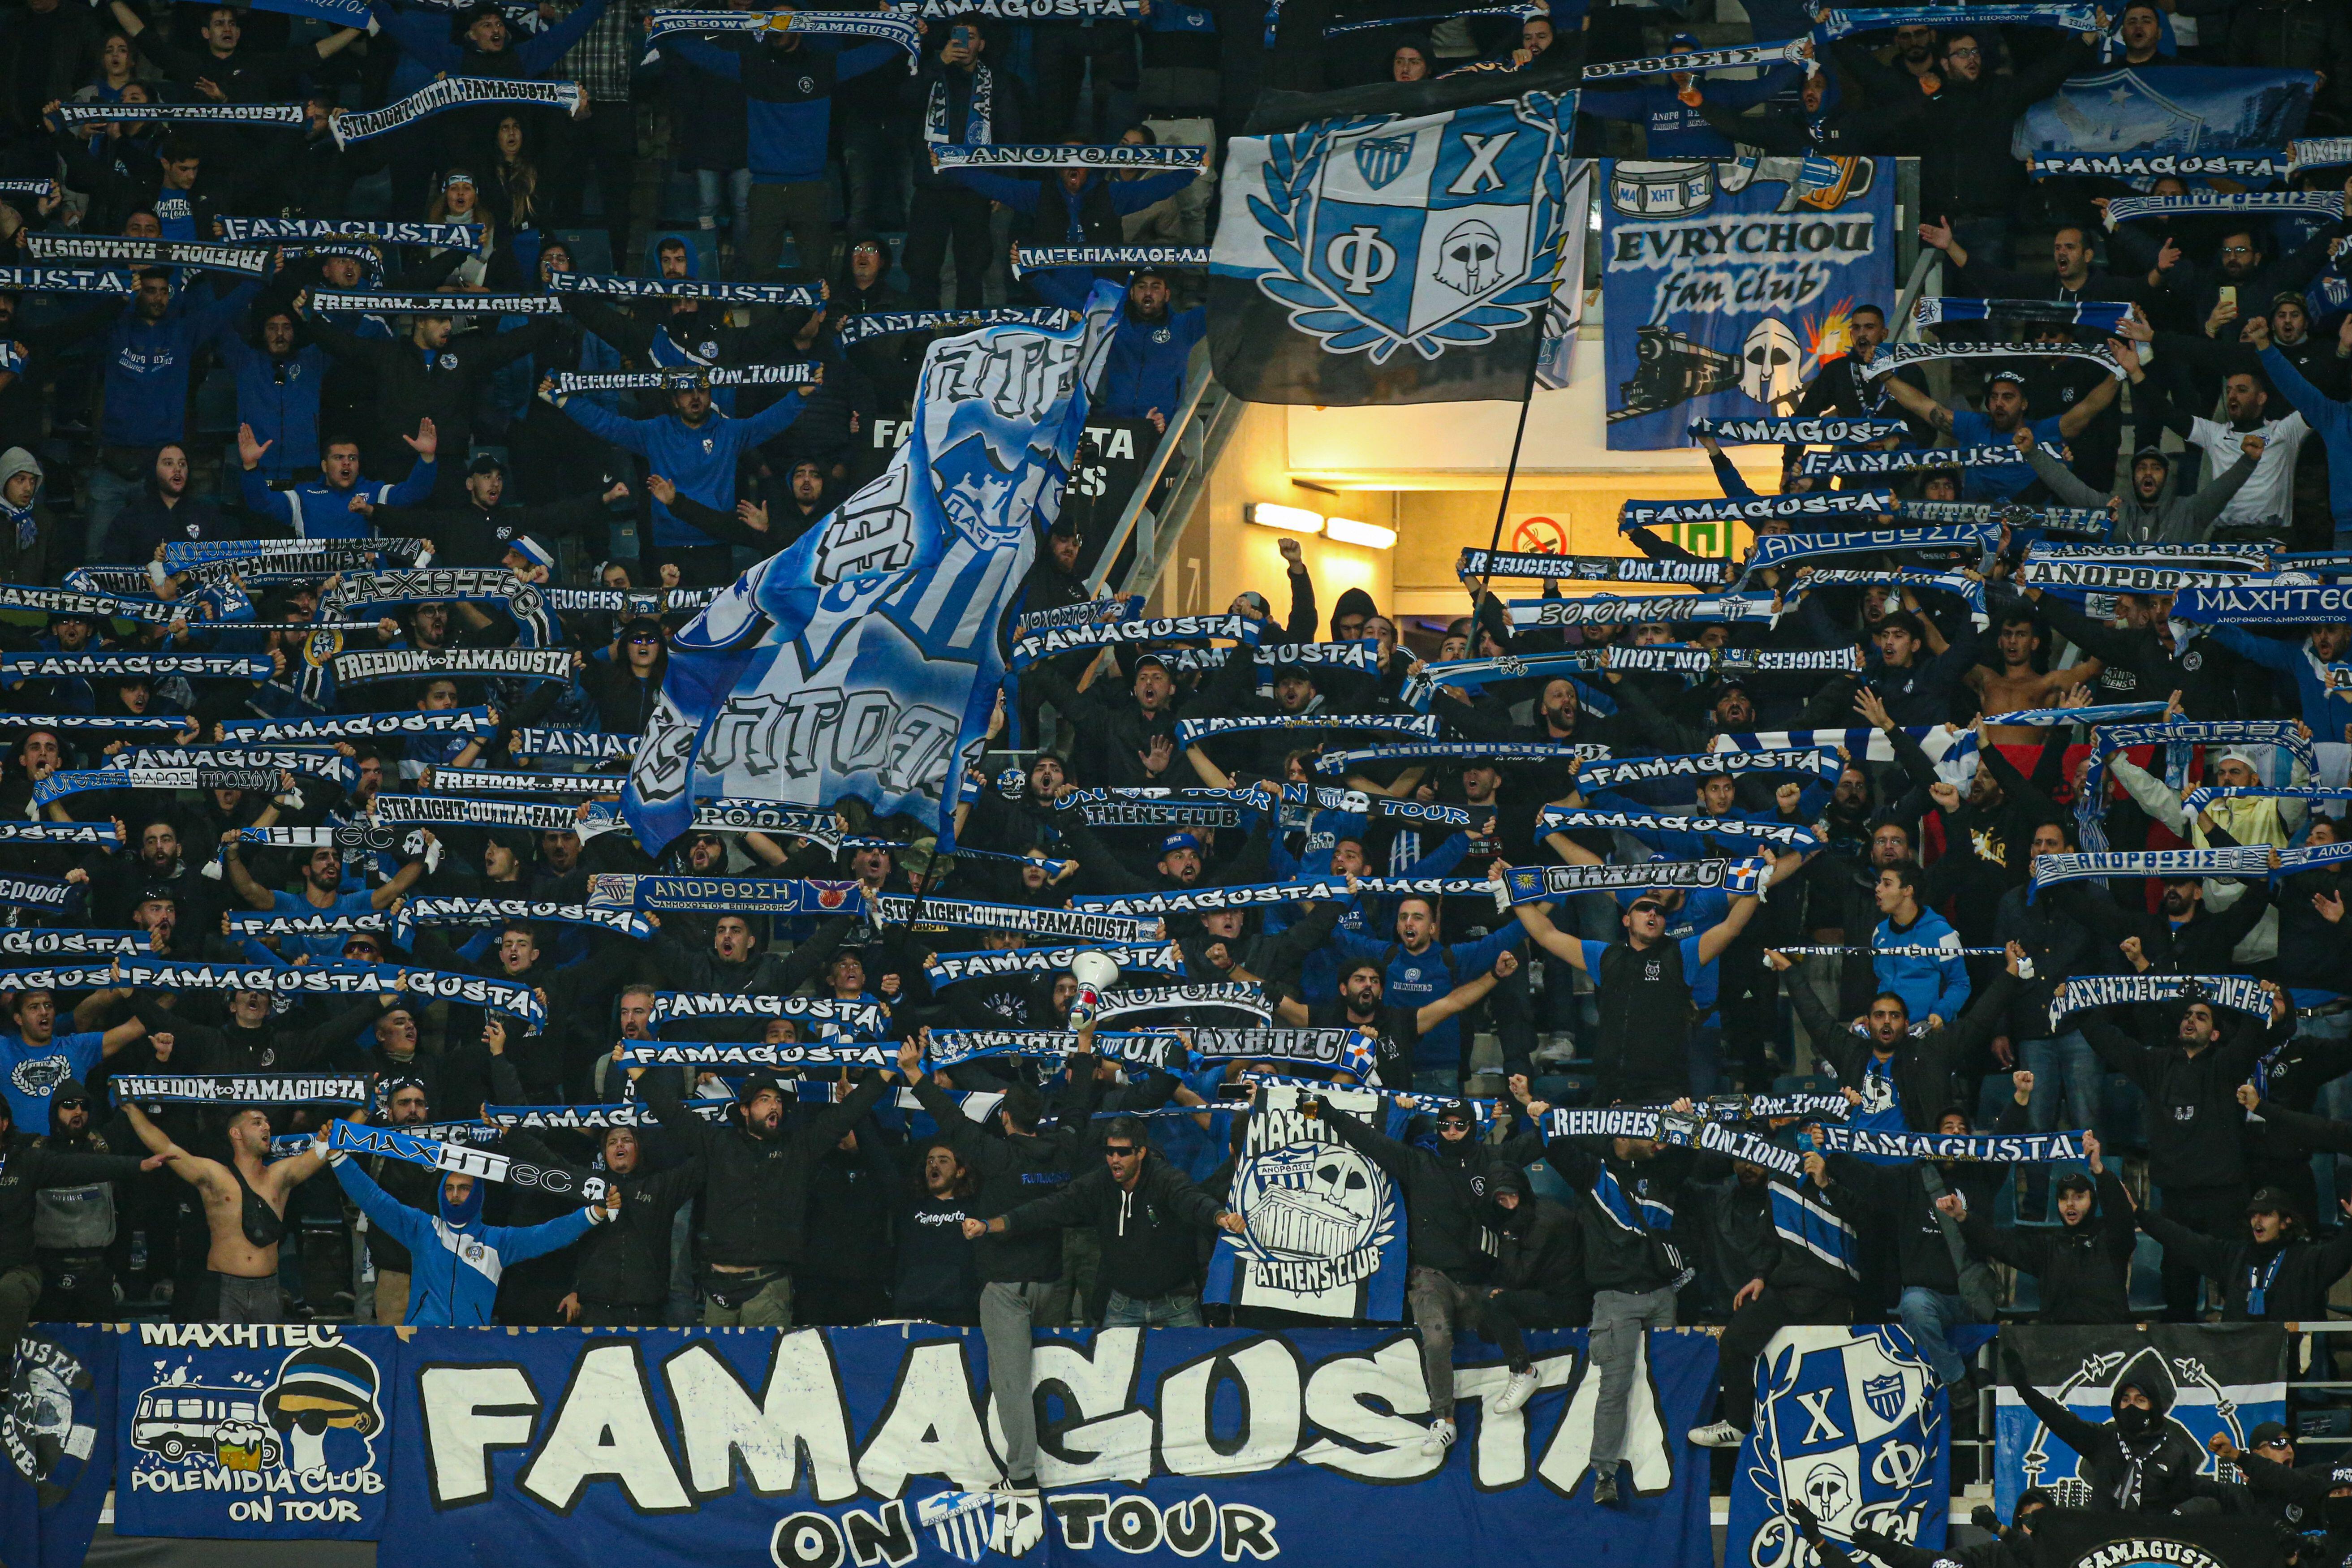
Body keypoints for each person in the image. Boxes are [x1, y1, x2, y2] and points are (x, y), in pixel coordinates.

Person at [322, 1133, 619, 1326]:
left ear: (477, 1194)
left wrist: (593, 1213)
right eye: (449, 1188)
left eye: (464, 1188)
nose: (455, 1194)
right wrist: (338, 1158)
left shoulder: (498, 1241)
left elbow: (548, 1234)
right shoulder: (421, 1228)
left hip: (472, 1347)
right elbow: (374, 1200)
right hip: (422, 1342)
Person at [121, 1099, 328, 1323]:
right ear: (236, 1133)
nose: (267, 1127)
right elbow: (165, 1147)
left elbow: (327, 1149)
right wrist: (132, 1110)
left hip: (269, 1288)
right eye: (257, 1123)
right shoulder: (215, 1175)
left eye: (267, 1123)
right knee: (221, 1358)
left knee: (266, 1358)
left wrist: (363, 1111)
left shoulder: (280, 1176)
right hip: (224, 1288)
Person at [0, 1093, 168, 1361]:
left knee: (100, 1349)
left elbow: (85, 1166)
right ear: (55, 1111)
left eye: (84, 1106)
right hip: (46, 1265)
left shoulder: (28, 1159)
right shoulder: (33, 1148)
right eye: (68, 1105)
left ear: (4, 1124)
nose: (77, 1111)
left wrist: (137, 1164)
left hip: (77, 1267)